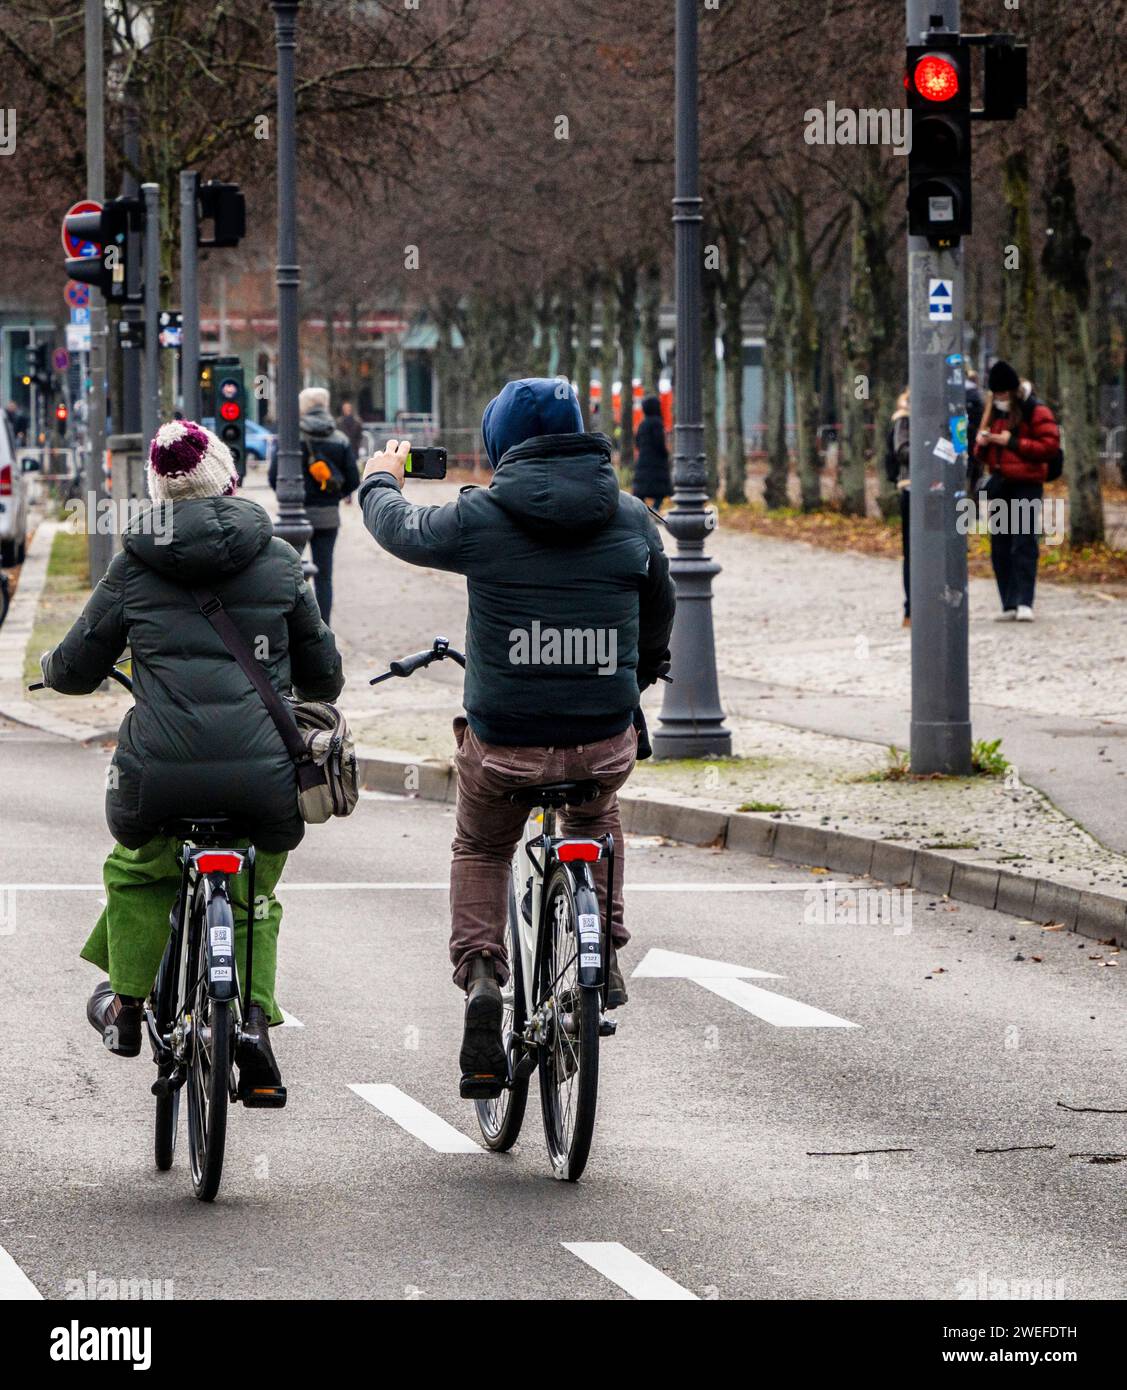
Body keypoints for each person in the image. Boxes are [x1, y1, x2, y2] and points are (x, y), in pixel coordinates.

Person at [359, 378, 676, 1100]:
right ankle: (603, 953)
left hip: (505, 744)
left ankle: (479, 975)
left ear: (502, 444)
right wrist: (643, 668)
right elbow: (660, 605)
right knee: (595, 816)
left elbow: (401, 529)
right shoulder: (630, 518)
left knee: (482, 846)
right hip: (601, 737)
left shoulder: (481, 517)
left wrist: (381, 477)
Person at [40, 421, 343, 1094]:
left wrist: (50, 668)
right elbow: (324, 674)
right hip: (263, 775)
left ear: (159, 492)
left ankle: (124, 1007)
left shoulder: (132, 565)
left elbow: (72, 668)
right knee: (254, 891)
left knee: (138, 867)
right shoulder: (279, 559)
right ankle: (254, 1023)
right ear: (228, 479)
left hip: (160, 774)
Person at [976, 361, 1059, 622]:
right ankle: (1008, 602)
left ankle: (1025, 600)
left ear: (1012, 391)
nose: (999, 399)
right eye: (996, 394)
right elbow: (980, 454)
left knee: (1023, 541)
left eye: (1002, 394)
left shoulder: (1035, 409)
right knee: (1000, 544)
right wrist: (982, 443)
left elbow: (1048, 446)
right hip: (1001, 482)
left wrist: (1011, 442)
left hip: (1027, 482)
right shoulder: (993, 412)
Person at [268, 386, 359, 624]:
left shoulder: (290, 437)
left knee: (291, 574)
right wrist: (332, 497)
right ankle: (323, 628)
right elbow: (353, 479)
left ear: (303, 407)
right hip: (328, 517)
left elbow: (274, 475)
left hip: (293, 517)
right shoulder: (340, 439)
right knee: (324, 576)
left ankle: (295, 626)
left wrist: (289, 496)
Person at [884, 388, 911, 627]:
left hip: (943, 492)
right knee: (913, 553)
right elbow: (902, 451)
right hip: (912, 487)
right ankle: (911, 607)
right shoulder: (904, 418)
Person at [632, 393, 671, 509]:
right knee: (660, 490)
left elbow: (637, 442)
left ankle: (641, 511)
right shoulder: (657, 423)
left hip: (643, 461)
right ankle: (655, 510)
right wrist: (665, 453)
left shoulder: (642, 424)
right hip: (657, 462)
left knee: (641, 491)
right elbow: (659, 442)